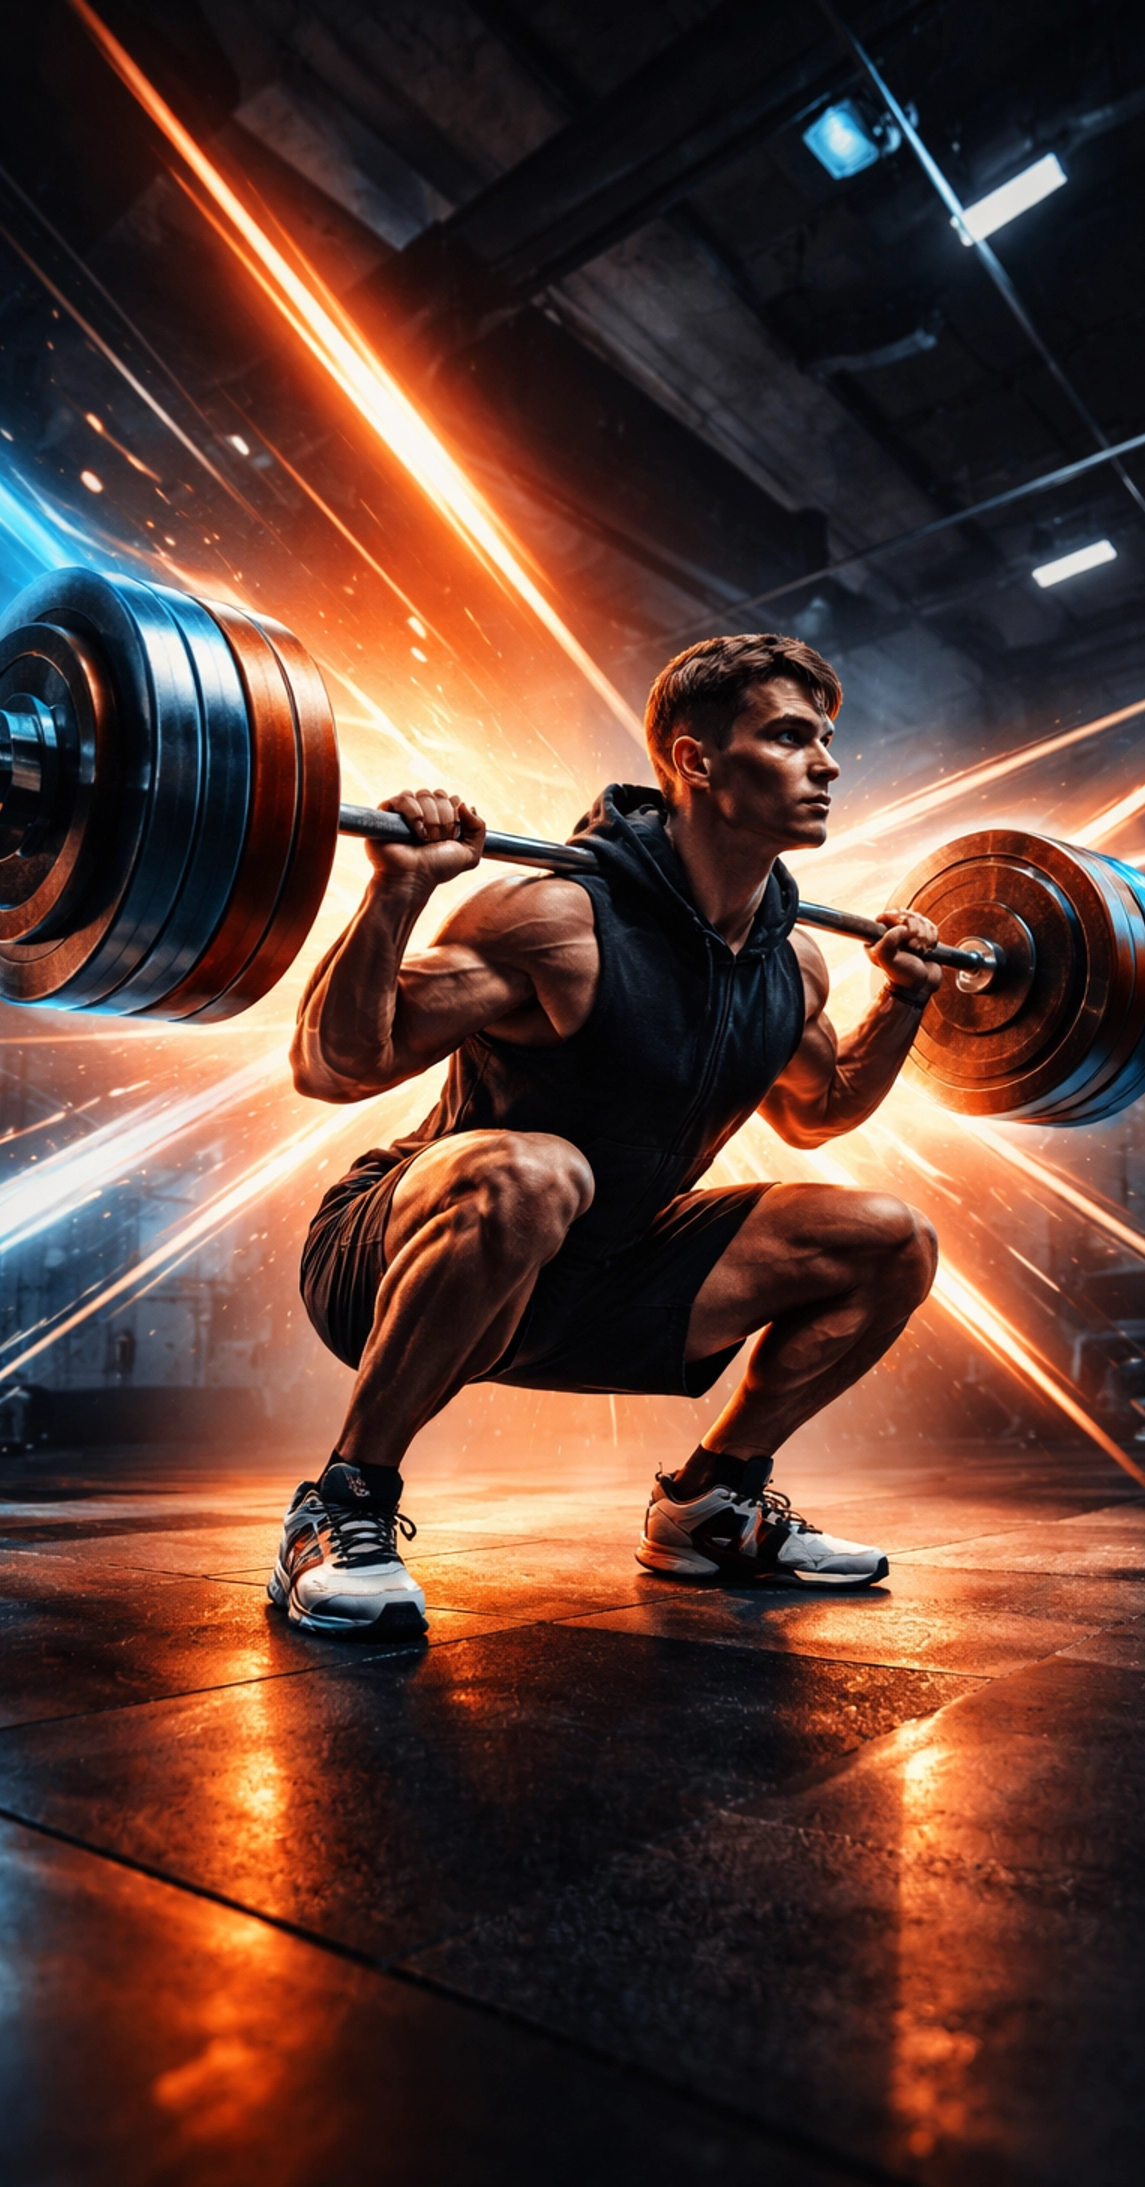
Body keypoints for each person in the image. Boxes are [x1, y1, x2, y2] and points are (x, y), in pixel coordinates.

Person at [270, 633, 942, 1636]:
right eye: (790, 737)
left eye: (826, 741)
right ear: (696, 760)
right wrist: (398, 889)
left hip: (604, 1275)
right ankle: (341, 1503)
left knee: (891, 1240)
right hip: (401, 1255)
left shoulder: (790, 964)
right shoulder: (559, 919)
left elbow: (819, 1111)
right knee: (539, 1173)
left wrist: (904, 999)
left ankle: (710, 1506)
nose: (826, 765)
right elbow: (336, 1068)